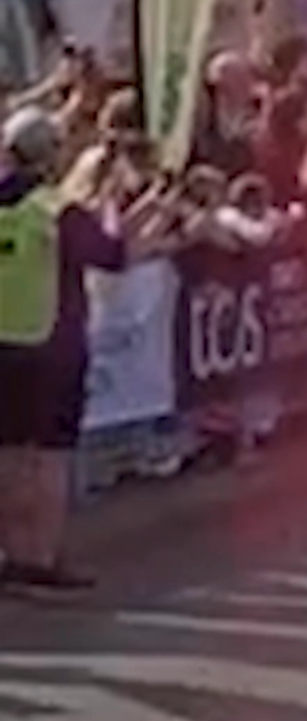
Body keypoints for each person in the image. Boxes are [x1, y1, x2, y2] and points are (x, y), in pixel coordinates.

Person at [0, 105, 173, 589]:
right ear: (51, 156)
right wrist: (144, 209)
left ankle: (10, 554)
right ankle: (41, 557)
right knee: (51, 455)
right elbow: (114, 255)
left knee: (9, 454)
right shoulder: (57, 210)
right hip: (53, 346)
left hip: (3, 344)